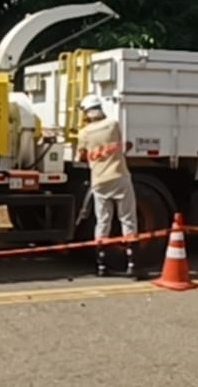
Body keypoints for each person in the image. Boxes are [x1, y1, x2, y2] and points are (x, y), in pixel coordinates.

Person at [76, 93, 137, 277]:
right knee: (127, 219)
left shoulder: (84, 133)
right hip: (119, 176)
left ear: (87, 113)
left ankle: (101, 265)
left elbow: (81, 156)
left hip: (99, 181)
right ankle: (132, 264)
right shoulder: (113, 125)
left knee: (103, 221)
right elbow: (122, 144)